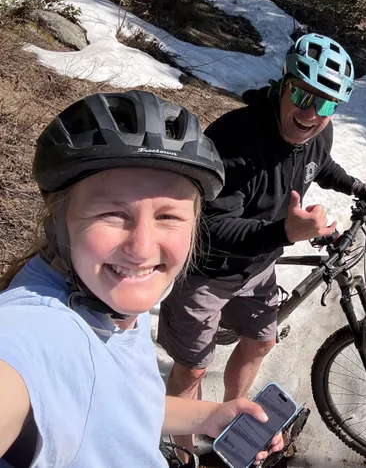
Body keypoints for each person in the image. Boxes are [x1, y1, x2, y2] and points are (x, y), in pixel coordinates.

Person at [0, 91, 283, 468]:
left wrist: (208, 417)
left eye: (169, 216)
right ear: (58, 221)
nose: (142, 248)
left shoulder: (109, 298)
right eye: (113, 214)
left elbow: (119, 402)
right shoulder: (37, 333)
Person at [158, 33, 366, 451]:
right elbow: (208, 227)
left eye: (325, 103)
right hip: (206, 272)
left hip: (258, 264)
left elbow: (320, 164)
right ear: (283, 84)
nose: (310, 113)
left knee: (262, 341)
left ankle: (234, 418)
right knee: (192, 368)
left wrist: (356, 186)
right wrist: (285, 233)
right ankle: (182, 449)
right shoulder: (232, 141)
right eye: (302, 95)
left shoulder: (319, 131)